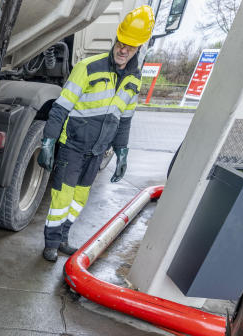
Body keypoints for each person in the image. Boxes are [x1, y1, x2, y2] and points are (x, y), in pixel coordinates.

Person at [36, 5, 155, 262]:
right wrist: (48, 141)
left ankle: (64, 237)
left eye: (130, 46)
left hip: (97, 151)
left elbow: (124, 121)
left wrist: (122, 153)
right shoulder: (88, 67)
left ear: (139, 48)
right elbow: (60, 108)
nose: (123, 50)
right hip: (74, 146)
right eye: (121, 43)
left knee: (79, 198)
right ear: (116, 39)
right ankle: (51, 243)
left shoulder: (134, 81)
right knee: (62, 198)